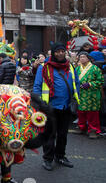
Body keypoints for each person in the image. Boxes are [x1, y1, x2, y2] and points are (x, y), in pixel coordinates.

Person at [33, 43, 79, 171]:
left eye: (62, 51)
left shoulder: (70, 66)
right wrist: (40, 105)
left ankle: (60, 156)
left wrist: (75, 100)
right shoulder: (44, 67)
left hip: (66, 106)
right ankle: (48, 158)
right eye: (57, 51)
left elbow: (76, 83)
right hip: (49, 107)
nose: (60, 53)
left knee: (63, 134)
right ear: (53, 53)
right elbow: (37, 86)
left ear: (65, 52)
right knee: (49, 135)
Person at [72, 52, 103, 139]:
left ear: (88, 58)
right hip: (81, 94)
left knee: (92, 113)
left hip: (92, 94)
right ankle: (81, 127)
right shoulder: (77, 69)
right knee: (81, 112)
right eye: (80, 57)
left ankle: (93, 130)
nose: (82, 59)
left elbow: (100, 81)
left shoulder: (95, 69)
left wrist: (90, 84)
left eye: (84, 57)